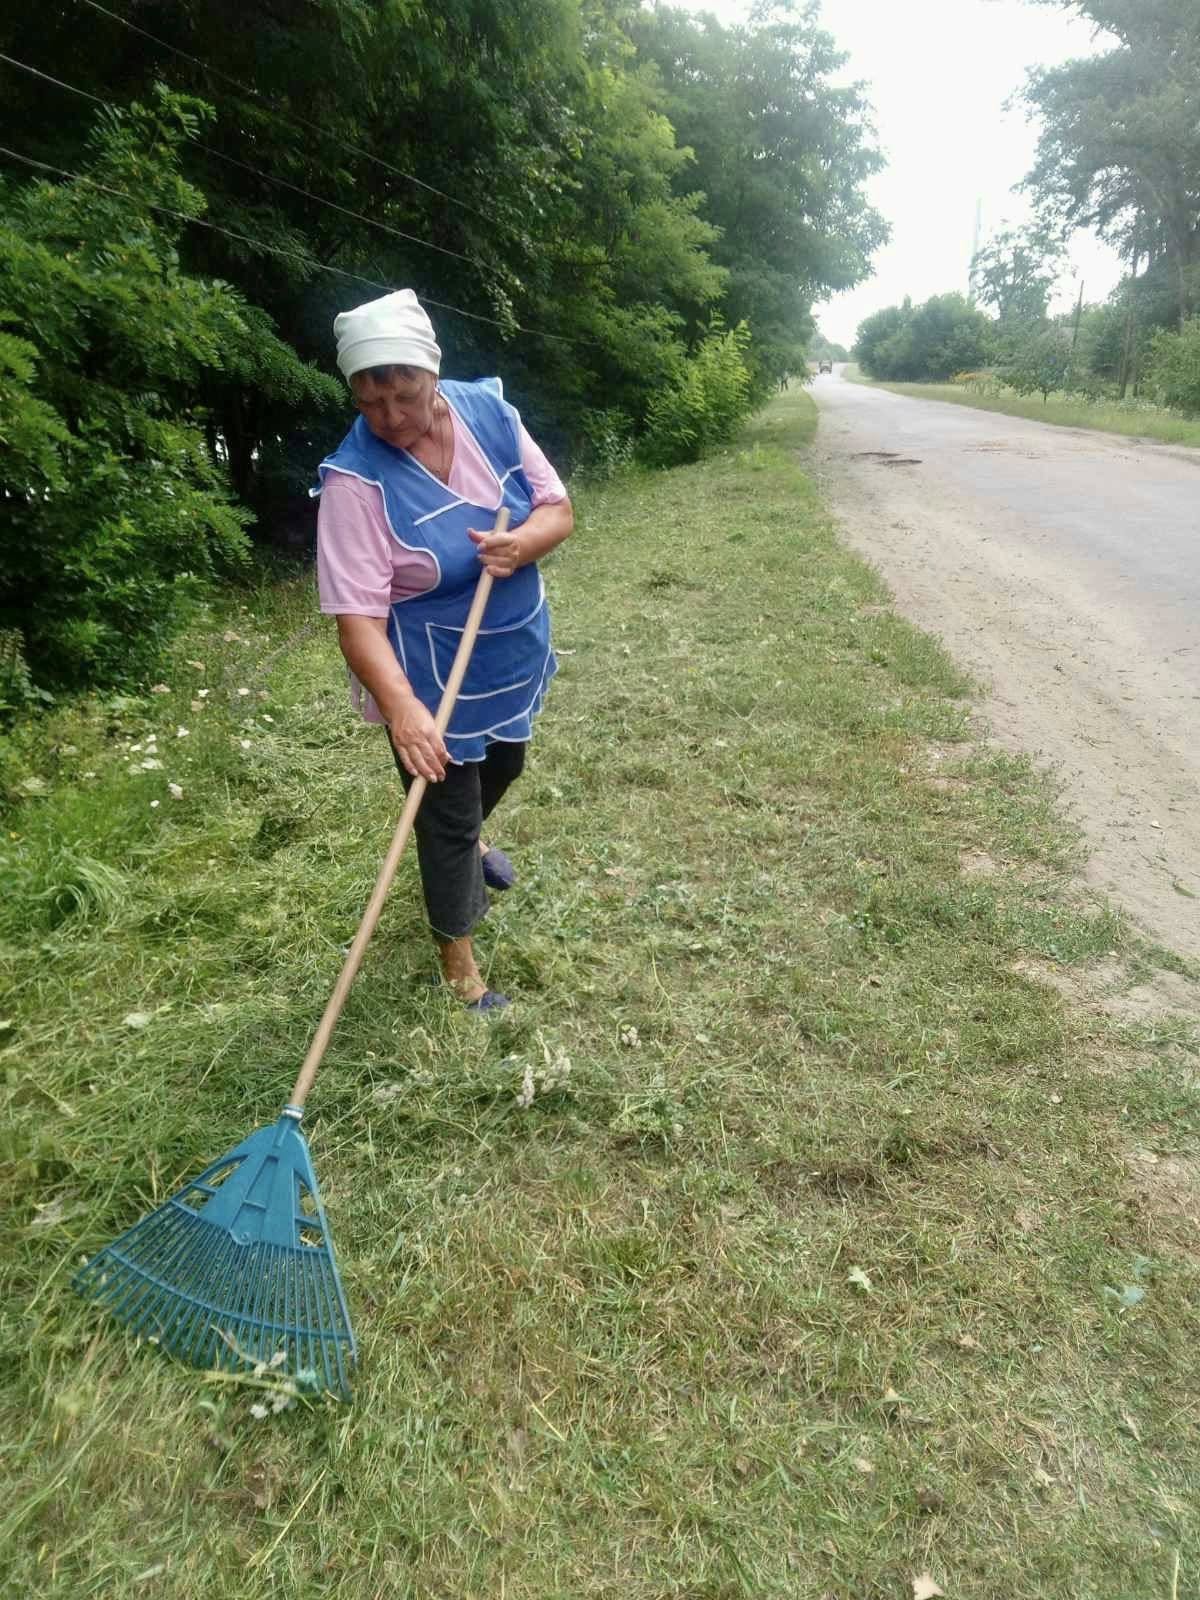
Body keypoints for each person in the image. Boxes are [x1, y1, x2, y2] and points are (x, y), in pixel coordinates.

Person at [315, 289, 573, 1012]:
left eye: (405, 395)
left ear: (433, 373)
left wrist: (522, 544)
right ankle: (459, 964)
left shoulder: (490, 412)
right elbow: (358, 621)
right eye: (371, 403)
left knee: (508, 762)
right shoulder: (354, 482)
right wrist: (402, 709)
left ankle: (470, 843)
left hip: (508, 649)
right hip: (425, 674)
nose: (391, 417)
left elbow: (557, 509)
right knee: (446, 814)